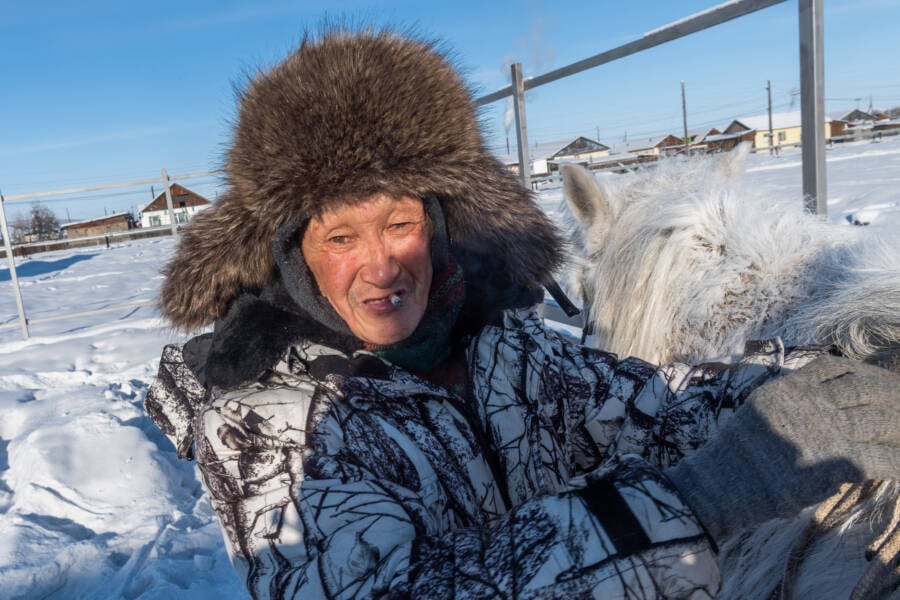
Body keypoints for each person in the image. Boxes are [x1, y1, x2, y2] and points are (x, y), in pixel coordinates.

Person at [145, 28, 900, 599]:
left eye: (400, 226)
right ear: (290, 252)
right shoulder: (268, 422)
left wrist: (826, 369)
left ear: (442, 226)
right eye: (341, 236)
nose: (380, 265)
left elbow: (649, 398)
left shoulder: (504, 350)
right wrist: (695, 502)